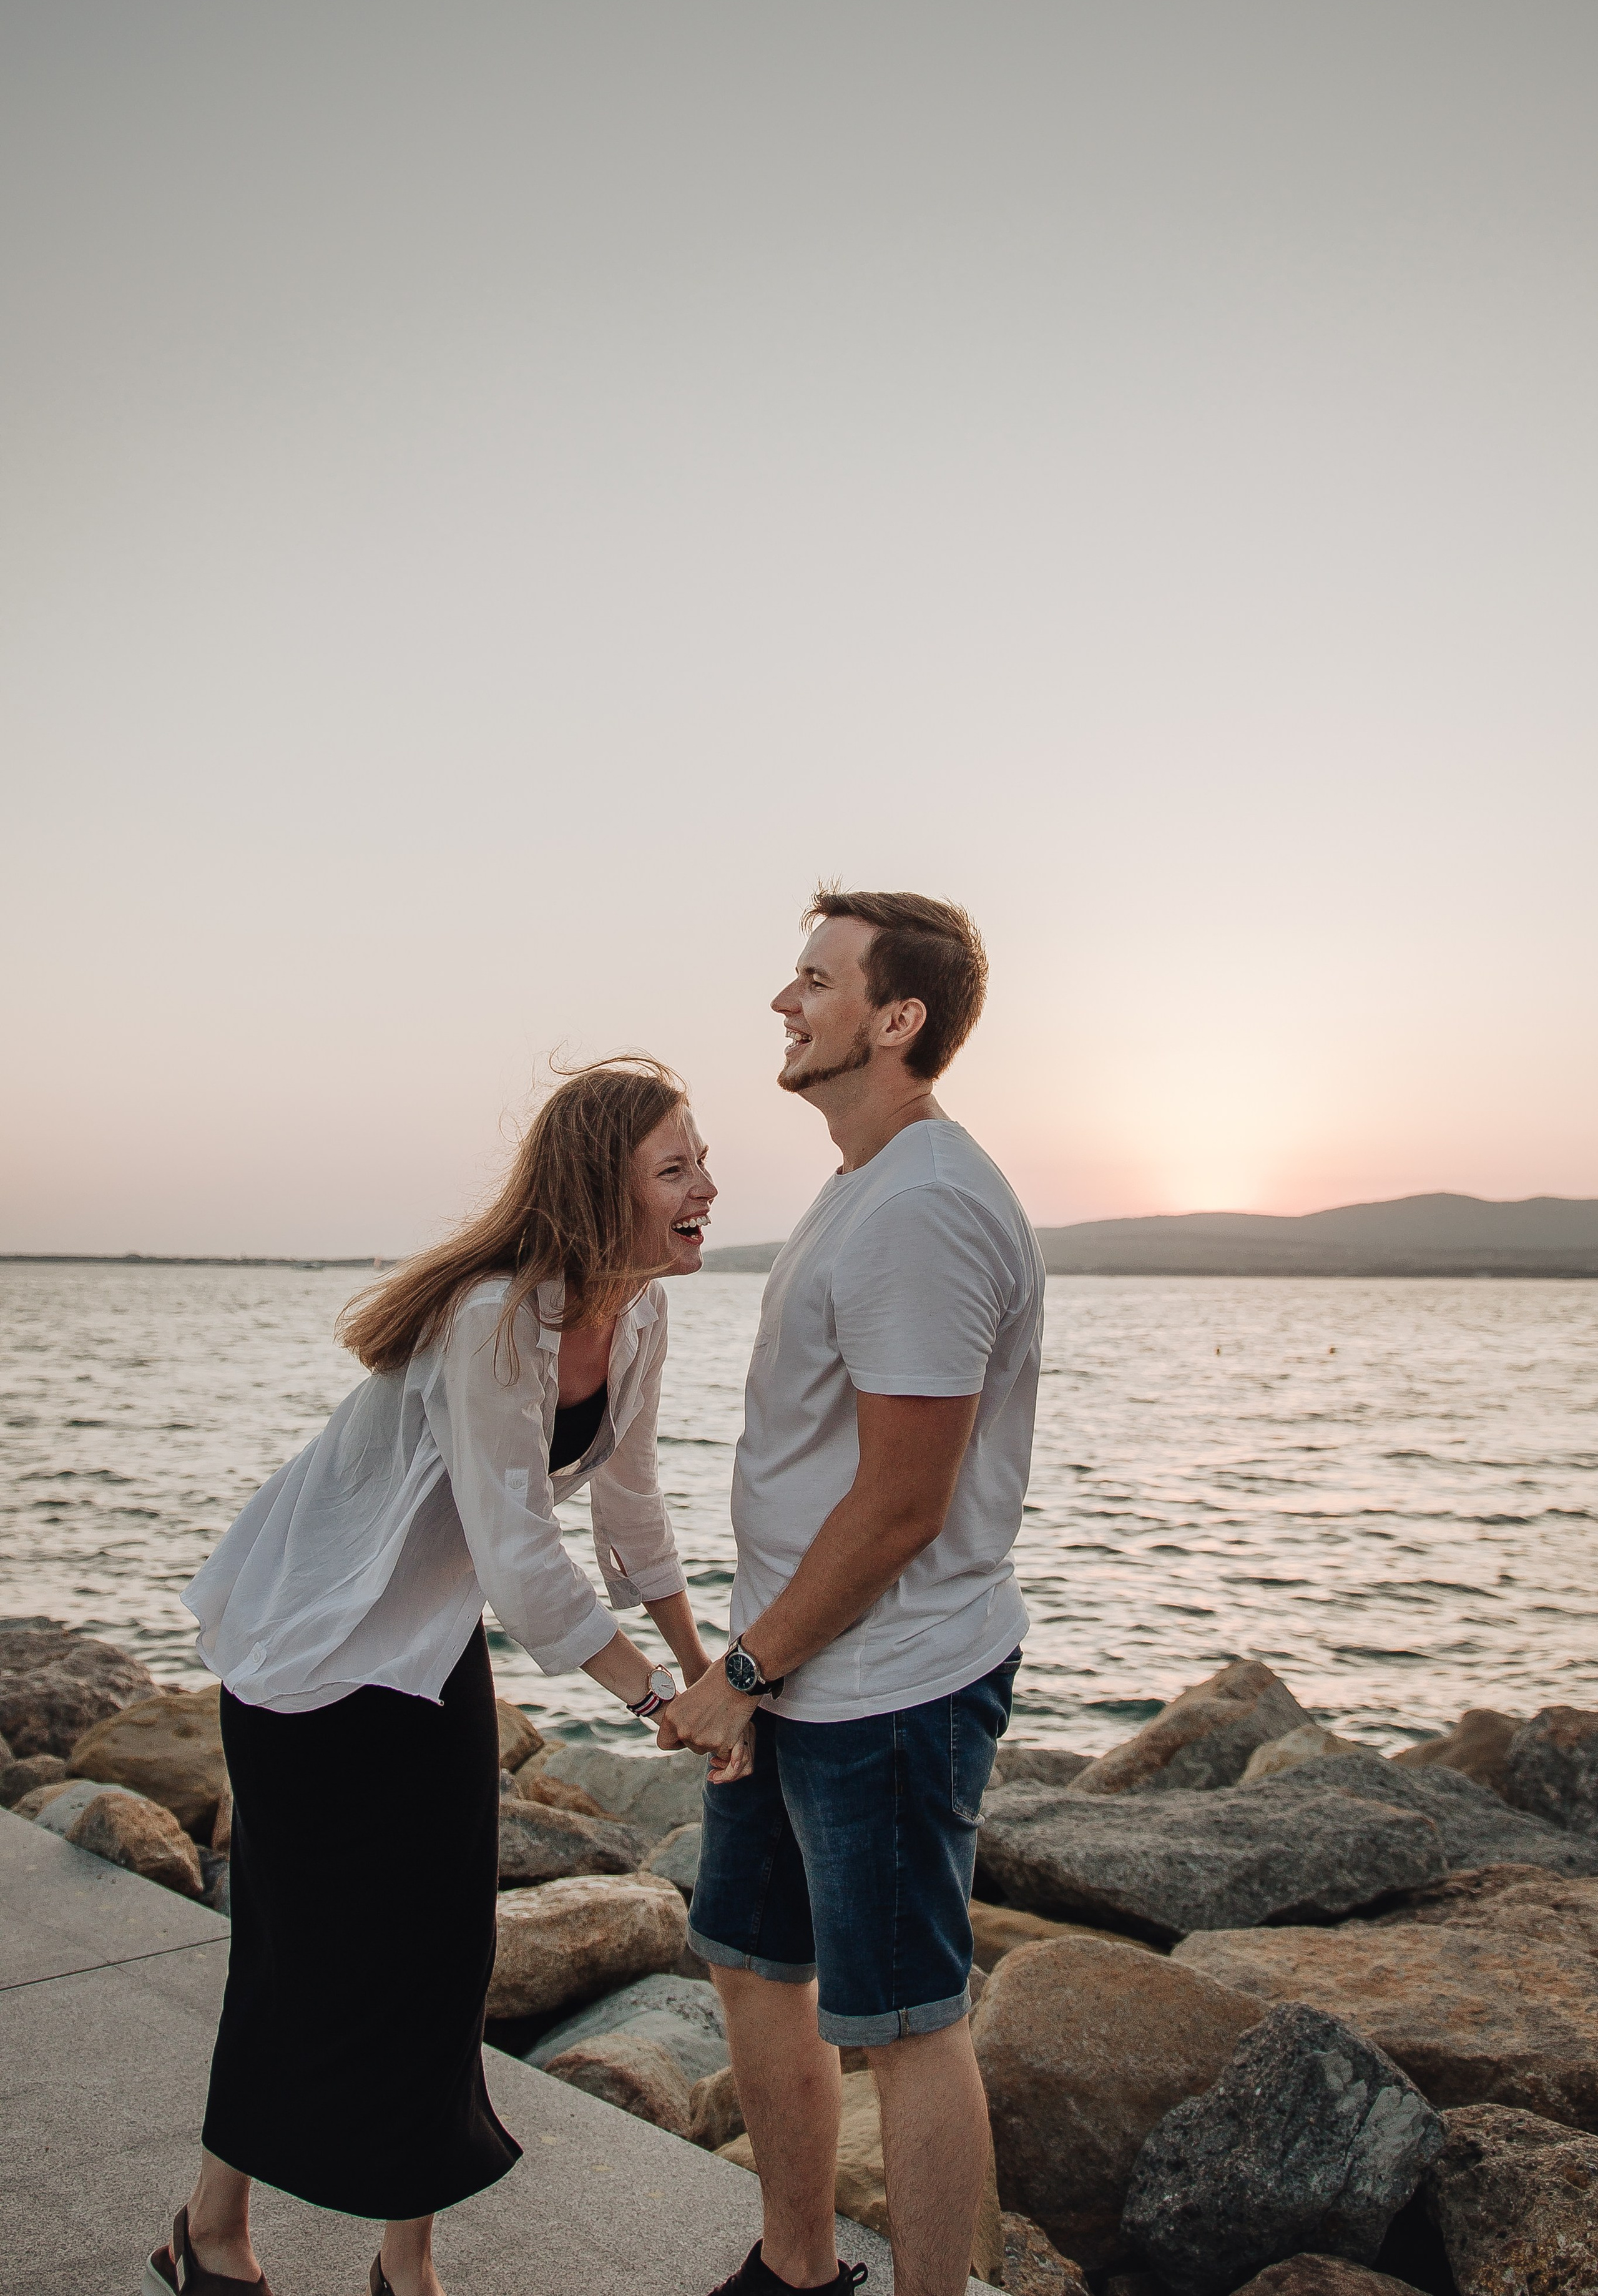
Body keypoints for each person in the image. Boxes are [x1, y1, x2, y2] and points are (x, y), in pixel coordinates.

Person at [152, 1057, 738, 2296]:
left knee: (442, 1954)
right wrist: (652, 1701)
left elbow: (629, 1512)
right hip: (308, 1649)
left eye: (702, 1164)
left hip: (423, 1651)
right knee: (297, 1950)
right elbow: (520, 1559)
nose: (707, 1189)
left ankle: (404, 2267)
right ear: (605, 1187)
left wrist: (708, 1673)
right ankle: (210, 2231)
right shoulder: (491, 1318)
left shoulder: (639, 1315)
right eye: (676, 1168)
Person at [660, 890, 1046, 2296]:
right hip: (798, 1670)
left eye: (816, 981)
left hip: (884, 1684)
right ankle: (798, 2270)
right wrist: (758, 1669)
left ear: (898, 1020)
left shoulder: (924, 1208)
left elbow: (900, 1504)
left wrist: (741, 1672)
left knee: (906, 2024)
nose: (785, 1001)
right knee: (754, 1964)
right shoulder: (866, 1180)